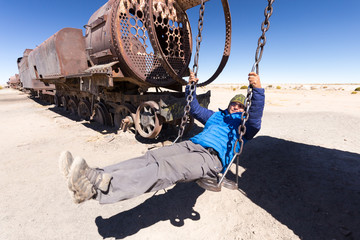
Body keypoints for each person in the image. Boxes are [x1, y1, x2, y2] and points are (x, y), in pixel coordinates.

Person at [59, 72, 265, 204]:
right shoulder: (216, 116)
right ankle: (92, 175)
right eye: (234, 104)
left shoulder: (243, 126)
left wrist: (257, 91)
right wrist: (191, 86)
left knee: (164, 169)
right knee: (150, 157)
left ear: (244, 109)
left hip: (210, 158)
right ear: (229, 104)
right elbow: (193, 108)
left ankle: (98, 190)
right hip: (191, 144)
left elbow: (255, 122)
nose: (236, 107)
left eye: (240, 106)